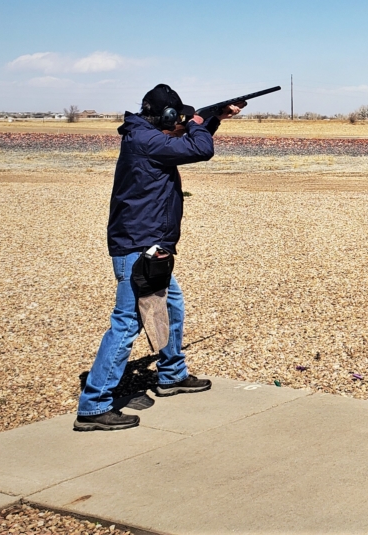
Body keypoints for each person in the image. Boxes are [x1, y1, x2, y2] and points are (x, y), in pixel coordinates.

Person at [75, 84, 243, 431]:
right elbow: (198, 148)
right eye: (178, 116)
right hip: (140, 246)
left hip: (147, 244)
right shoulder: (145, 142)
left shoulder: (144, 136)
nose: (179, 121)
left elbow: (183, 144)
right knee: (127, 323)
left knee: (172, 305)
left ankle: (171, 375)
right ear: (167, 116)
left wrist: (214, 119)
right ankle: (93, 405)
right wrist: (199, 122)